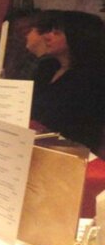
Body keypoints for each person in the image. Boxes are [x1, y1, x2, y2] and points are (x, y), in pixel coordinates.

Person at [31, 10, 105, 152]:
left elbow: (85, 130)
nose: (46, 36)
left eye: (56, 33)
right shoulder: (47, 67)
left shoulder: (91, 79)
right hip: (35, 140)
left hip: (70, 150)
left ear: (77, 37)